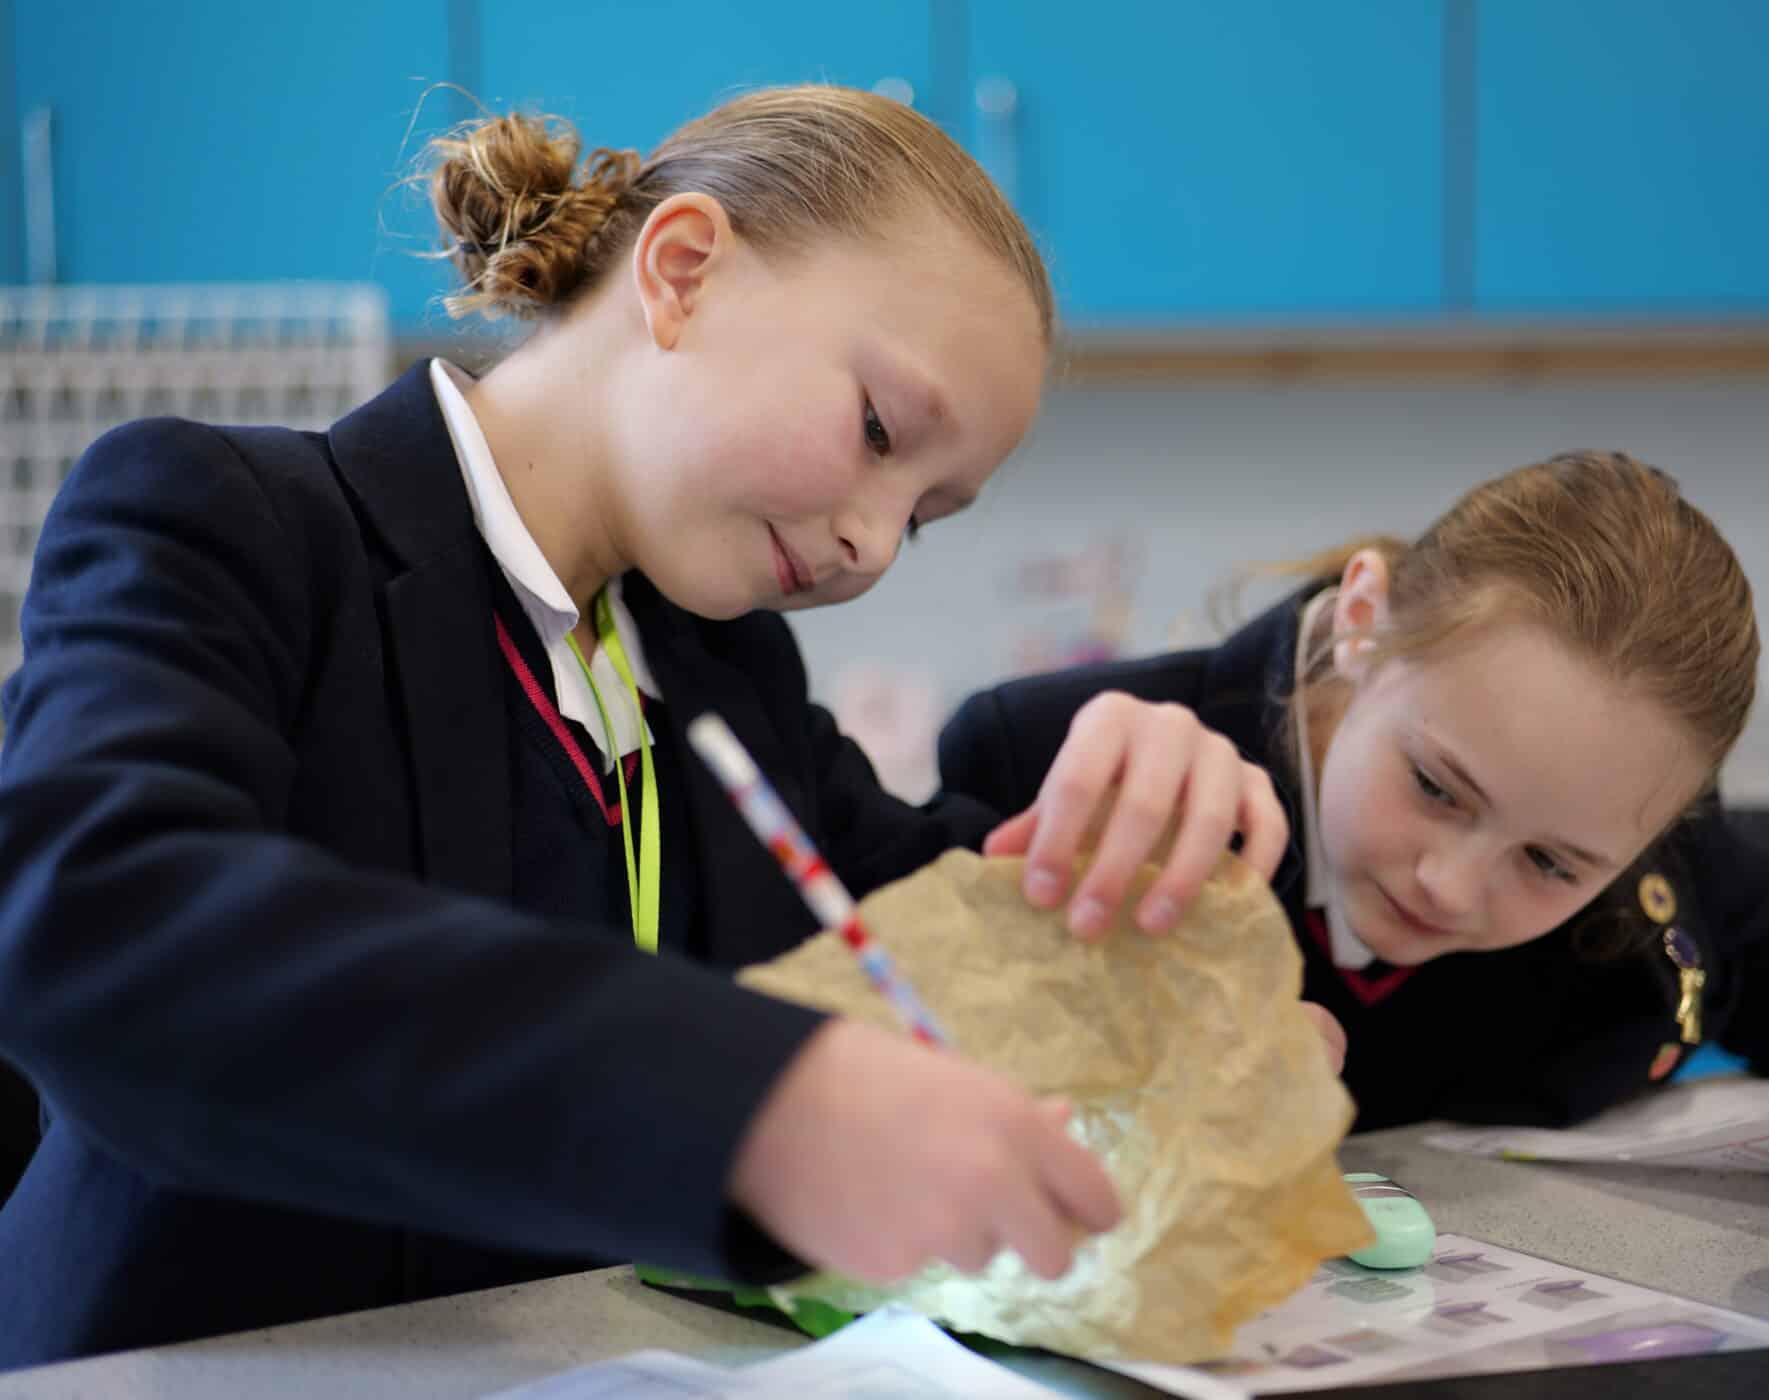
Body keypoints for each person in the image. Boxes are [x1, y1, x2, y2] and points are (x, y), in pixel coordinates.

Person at [0, 87, 1287, 1368]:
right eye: (881, 431)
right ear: (682, 274)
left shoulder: (720, 669)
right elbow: (92, 919)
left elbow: (923, 934)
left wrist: (1159, 894)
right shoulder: (231, 520)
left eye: (929, 513)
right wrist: (754, 1103)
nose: (875, 542)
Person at [940, 452, 1769, 1135]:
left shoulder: (1633, 843)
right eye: (1438, 785)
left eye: (1553, 863)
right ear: (1361, 621)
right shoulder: (1055, 761)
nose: (1451, 882)